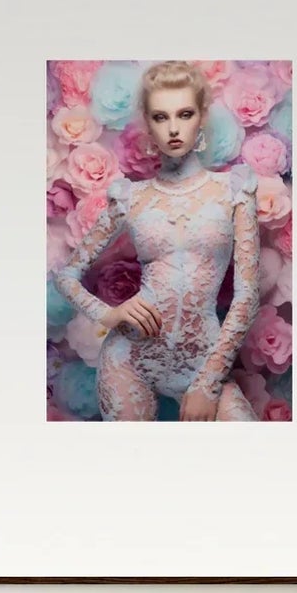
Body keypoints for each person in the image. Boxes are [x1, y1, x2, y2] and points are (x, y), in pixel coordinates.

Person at [53, 61, 259, 421]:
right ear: (148, 124)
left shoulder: (233, 189)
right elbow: (67, 275)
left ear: (201, 117)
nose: (174, 128)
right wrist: (109, 313)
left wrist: (208, 384)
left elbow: (246, 295)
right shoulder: (131, 197)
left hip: (205, 361)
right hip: (130, 359)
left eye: (184, 114)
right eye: (161, 117)